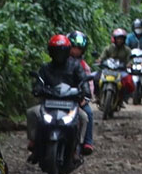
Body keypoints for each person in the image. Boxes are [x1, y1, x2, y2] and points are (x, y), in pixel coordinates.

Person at [26, 34, 89, 163]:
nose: (59, 55)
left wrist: (85, 92)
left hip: (69, 104)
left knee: (84, 117)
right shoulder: (45, 68)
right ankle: (34, 141)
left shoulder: (76, 66)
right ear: (51, 52)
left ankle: (77, 148)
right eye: (56, 51)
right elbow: (39, 82)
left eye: (62, 51)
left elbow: (83, 81)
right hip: (49, 104)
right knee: (31, 113)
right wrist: (38, 89)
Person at [66, 30, 95, 155]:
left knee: (88, 113)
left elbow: (89, 85)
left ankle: (87, 141)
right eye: (73, 47)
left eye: (78, 48)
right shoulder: (59, 63)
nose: (75, 51)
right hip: (60, 97)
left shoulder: (84, 66)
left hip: (77, 98)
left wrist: (85, 97)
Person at [96, 28, 135, 104]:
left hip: (121, 70)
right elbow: (102, 56)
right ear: (114, 39)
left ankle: (123, 97)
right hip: (108, 69)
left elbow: (130, 59)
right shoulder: (109, 48)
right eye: (118, 39)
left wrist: (129, 64)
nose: (119, 40)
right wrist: (100, 60)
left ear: (124, 40)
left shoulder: (127, 50)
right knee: (96, 78)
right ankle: (97, 95)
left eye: (121, 39)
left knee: (129, 82)